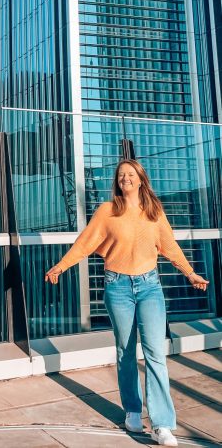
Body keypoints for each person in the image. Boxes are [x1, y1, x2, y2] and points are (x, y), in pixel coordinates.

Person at [45, 159, 209, 447]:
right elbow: (84, 243)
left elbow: (170, 246)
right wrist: (61, 266)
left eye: (130, 174)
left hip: (149, 287)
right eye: (121, 175)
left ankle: (161, 424)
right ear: (117, 182)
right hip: (117, 286)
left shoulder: (154, 212)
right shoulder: (107, 211)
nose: (125, 179)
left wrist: (190, 273)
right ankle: (132, 410)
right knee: (125, 352)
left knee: (155, 353)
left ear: (141, 179)